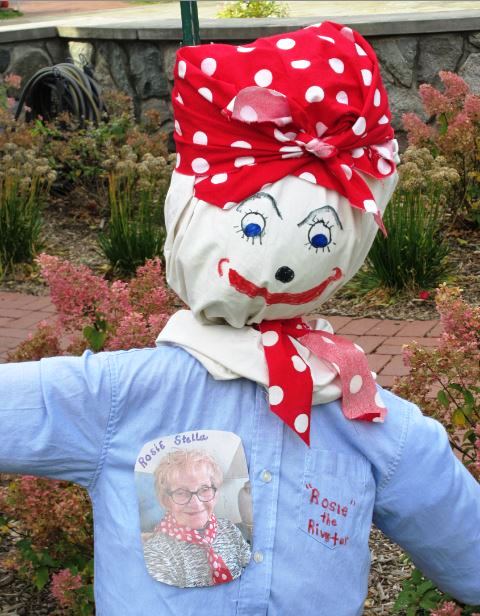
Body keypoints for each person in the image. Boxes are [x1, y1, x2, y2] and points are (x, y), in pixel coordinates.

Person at [0, 20, 479, 616]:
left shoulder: (370, 423)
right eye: (252, 225)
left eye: (321, 234)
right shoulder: (121, 397)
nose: (284, 266)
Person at [142, 449, 251, 588]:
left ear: (215, 494)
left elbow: (252, 572)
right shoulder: (157, 553)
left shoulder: (229, 529)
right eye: (181, 492)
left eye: (204, 489)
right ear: (166, 501)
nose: (196, 503)